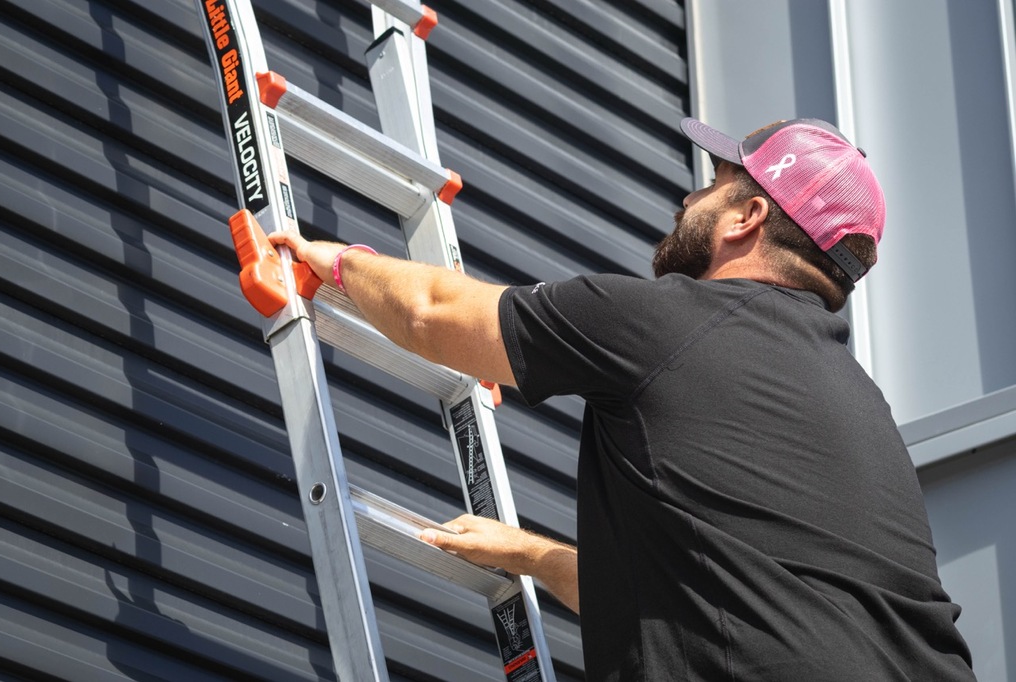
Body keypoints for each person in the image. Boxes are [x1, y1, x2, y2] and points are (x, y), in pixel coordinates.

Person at [270, 118, 976, 680]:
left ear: (747, 216)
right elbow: (700, 602)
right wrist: (537, 558)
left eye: (715, 185)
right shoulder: (865, 412)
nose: (688, 199)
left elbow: (428, 311)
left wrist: (324, 258)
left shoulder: (666, 321)